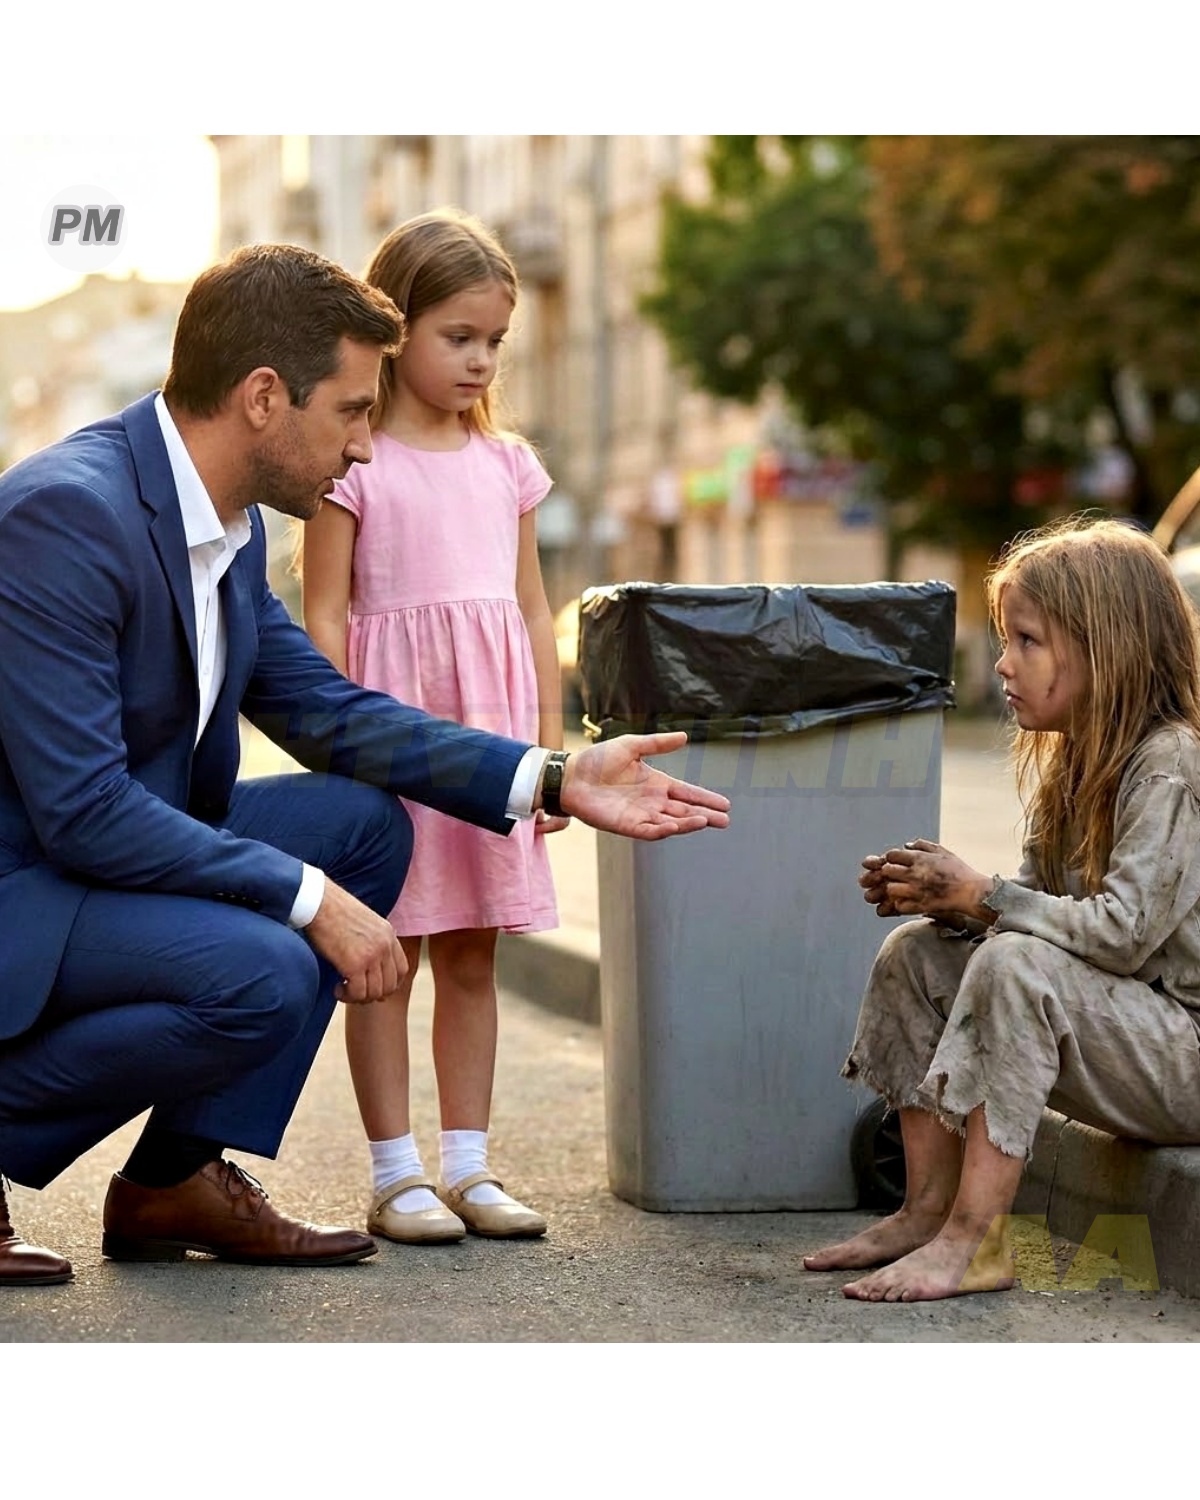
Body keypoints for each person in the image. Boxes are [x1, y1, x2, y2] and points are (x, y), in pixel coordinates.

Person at [0, 242, 731, 1288]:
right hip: (28, 887)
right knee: (269, 964)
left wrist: (553, 777)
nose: (363, 445)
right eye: (350, 411)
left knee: (362, 823)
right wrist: (309, 902)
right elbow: (82, 810)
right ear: (263, 397)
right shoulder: (68, 515)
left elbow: (331, 714)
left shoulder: (227, 526)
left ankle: (175, 1178)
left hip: (94, 866)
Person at [803, 514, 1200, 1302]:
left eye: (1027, 641)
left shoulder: (1170, 764)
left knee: (1015, 966)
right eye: (1006, 640)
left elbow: (1119, 937)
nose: (1003, 664)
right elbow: (1038, 908)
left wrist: (986, 897)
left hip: (1183, 1050)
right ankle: (927, 1211)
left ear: (1105, 645)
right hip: (1124, 1033)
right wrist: (949, 904)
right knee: (919, 956)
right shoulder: (1074, 762)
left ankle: (978, 1240)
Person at [301, 208, 566, 1244]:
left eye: (494, 341)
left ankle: (469, 1164)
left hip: (493, 744)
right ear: (396, 327)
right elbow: (325, 611)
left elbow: (535, 609)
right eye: (459, 336)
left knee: (471, 956)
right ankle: (394, 1171)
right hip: (393, 738)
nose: (480, 358)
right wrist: (338, 754)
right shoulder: (355, 462)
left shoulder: (508, 468)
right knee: (386, 955)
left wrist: (544, 757)